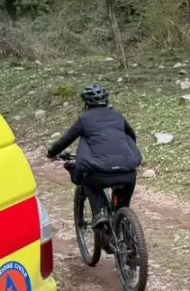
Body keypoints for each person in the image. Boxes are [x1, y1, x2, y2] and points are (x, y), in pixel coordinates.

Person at [47, 85, 142, 228]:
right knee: (123, 206)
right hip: (128, 173)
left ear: (86, 103)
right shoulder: (117, 116)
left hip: (100, 176)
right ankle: (125, 224)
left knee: (87, 182)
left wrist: (51, 153)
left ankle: (98, 214)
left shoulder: (84, 119)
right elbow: (132, 136)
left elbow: (65, 141)